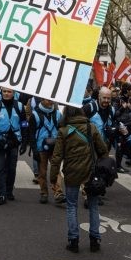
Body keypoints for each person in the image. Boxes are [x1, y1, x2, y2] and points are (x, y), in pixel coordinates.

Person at [50, 105, 108, 252]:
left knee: (71, 206)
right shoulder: (91, 127)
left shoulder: (63, 131)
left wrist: (53, 178)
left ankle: (73, 240)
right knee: (93, 206)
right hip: (90, 172)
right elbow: (103, 150)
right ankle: (95, 239)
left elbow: (56, 157)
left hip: (71, 172)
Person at [0, 88, 27, 205]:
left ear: (14, 93)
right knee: (0, 168)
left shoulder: (20, 106)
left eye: (9, 92)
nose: (6, 93)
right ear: (1, 93)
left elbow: (24, 124)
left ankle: (9, 191)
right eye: (4, 91)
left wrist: (25, 142)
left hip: (14, 141)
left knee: (11, 168)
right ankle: (1, 194)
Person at [28, 98, 63, 204]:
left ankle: (58, 192)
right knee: (42, 172)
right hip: (41, 147)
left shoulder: (57, 114)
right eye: (48, 100)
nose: (50, 102)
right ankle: (44, 193)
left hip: (55, 146)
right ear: (42, 100)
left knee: (56, 170)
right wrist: (34, 150)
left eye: (52, 100)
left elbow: (62, 129)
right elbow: (31, 133)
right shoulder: (35, 115)